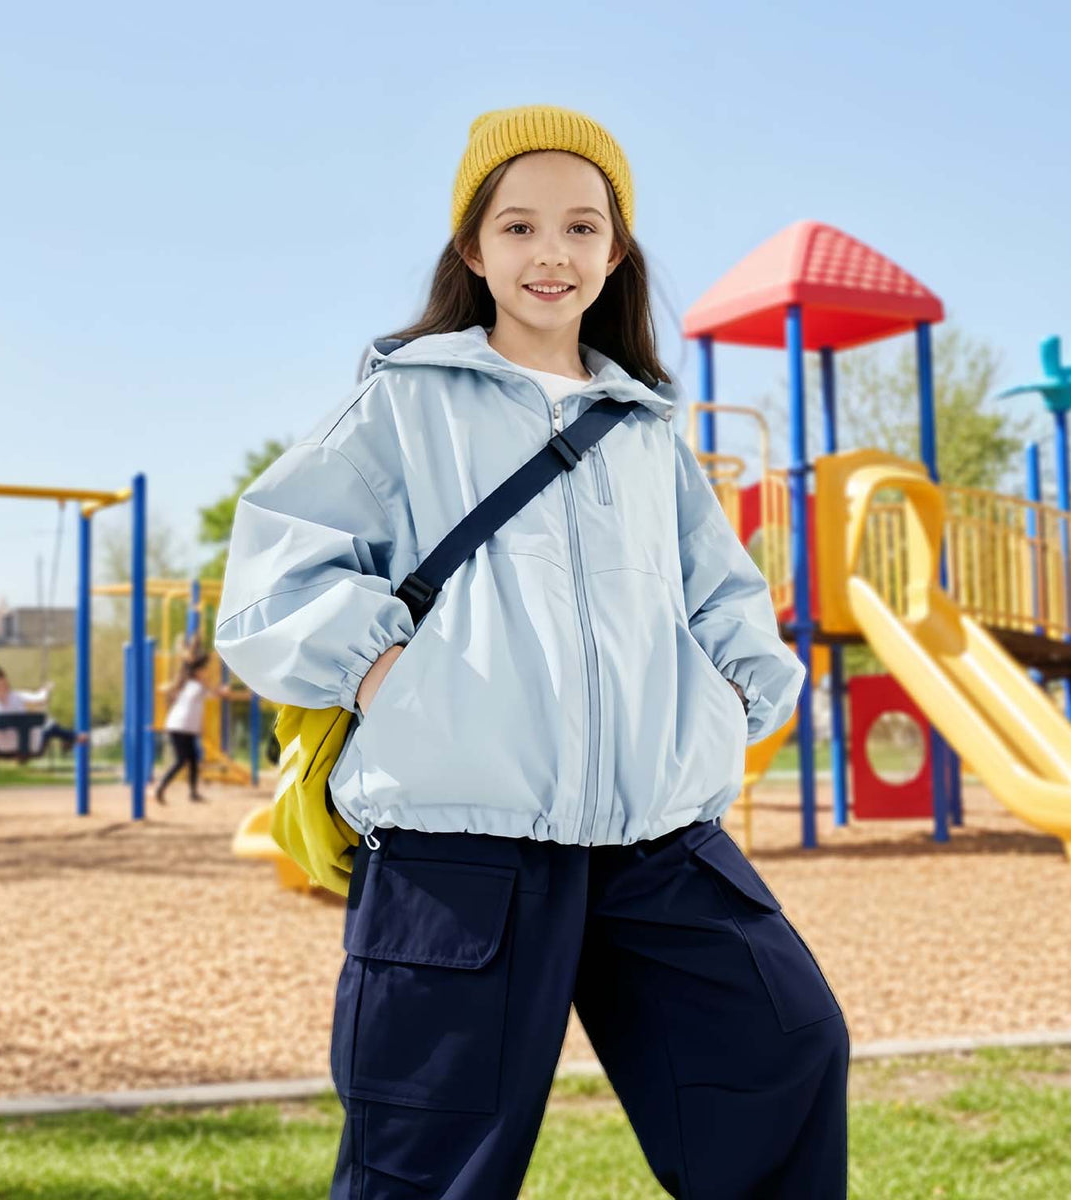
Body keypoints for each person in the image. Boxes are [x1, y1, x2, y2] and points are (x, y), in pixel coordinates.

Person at [215, 105, 848, 1198]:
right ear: (473, 248)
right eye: (517, 228)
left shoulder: (647, 432)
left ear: (615, 251)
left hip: (656, 842)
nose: (549, 253)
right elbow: (272, 583)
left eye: (579, 226)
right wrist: (392, 681)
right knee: (430, 1166)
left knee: (788, 1051)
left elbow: (728, 603)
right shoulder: (402, 405)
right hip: (460, 850)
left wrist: (726, 711)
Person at [151, 650, 250, 804]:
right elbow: (217, 692)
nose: (207, 673)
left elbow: (219, 694)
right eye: (204, 670)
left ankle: (193, 793)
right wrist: (226, 691)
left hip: (186, 728)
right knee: (182, 760)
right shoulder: (195, 686)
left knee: (192, 760)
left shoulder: (196, 686)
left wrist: (241, 695)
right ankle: (161, 787)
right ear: (197, 672)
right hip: (179, 727)